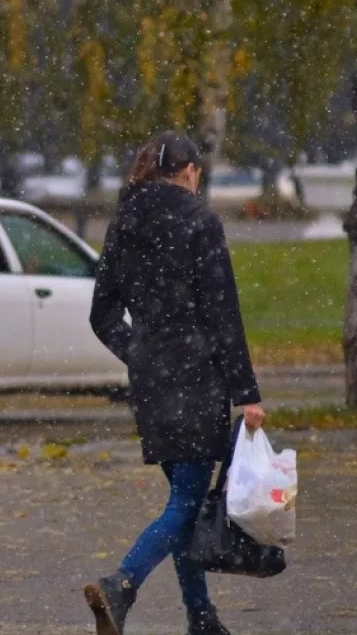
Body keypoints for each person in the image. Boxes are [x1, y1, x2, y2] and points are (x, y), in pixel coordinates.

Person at [82, 131, 265, 635]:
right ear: (187, 172)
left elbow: (102, 315)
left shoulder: (123, 222)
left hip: (151, 383)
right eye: (198, 175)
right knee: (186, 501)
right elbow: (223, 313)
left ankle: (201, 617)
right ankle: (122, 584)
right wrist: (246, 392)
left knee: (185, 499)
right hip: (198, 379)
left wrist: (140, 353)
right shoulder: (199, 222)